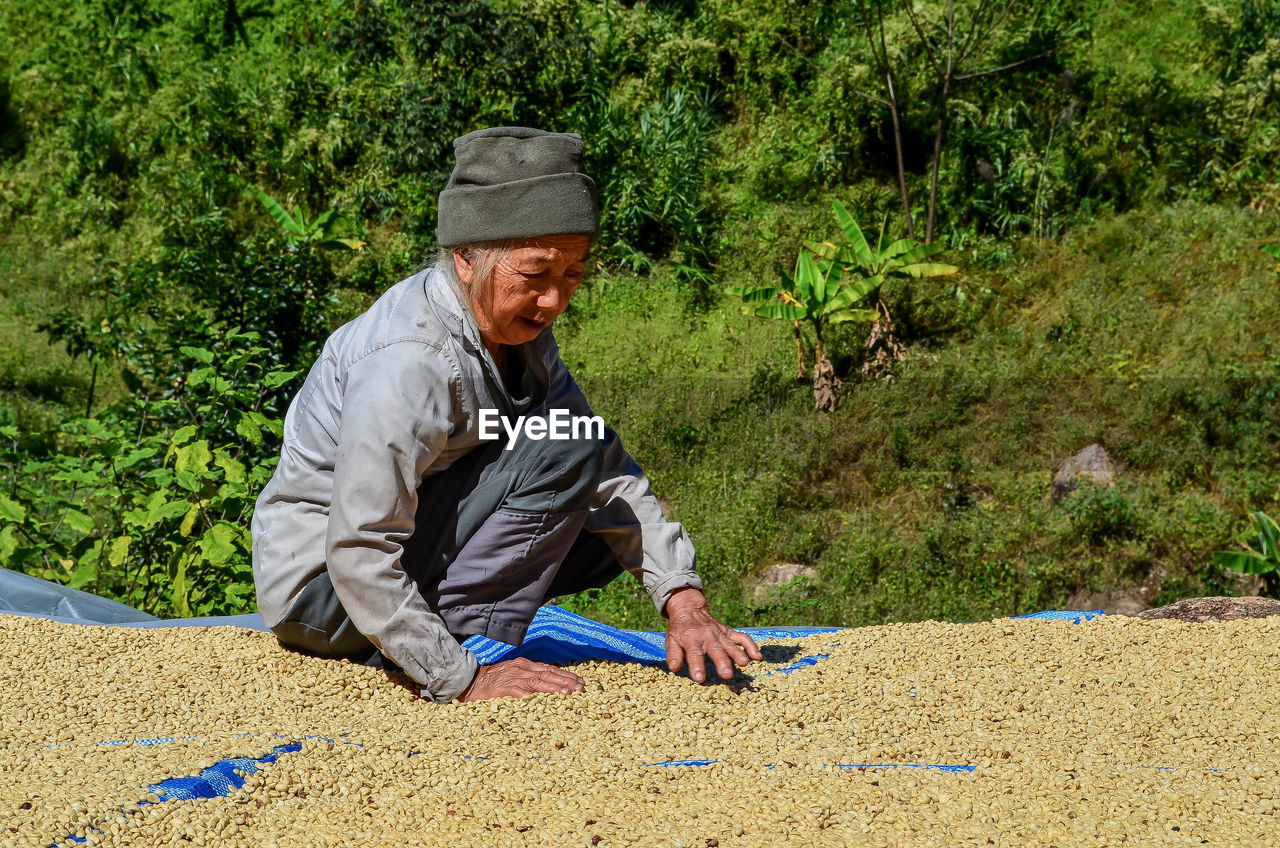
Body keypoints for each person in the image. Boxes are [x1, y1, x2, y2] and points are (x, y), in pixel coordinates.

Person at [251, 126, 761, 704]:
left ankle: (459, 627)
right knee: (562, 450)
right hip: (323, 595)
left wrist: (684, 603)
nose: (554, 301)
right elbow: (358, 546)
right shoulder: (408, 363)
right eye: (535, 275)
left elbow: (606, 463)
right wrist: (460, 675)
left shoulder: (519, 336)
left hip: (406, 549)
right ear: (467, 259)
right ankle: (471, 644)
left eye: (573, 274)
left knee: (592, 486)